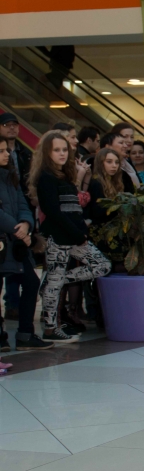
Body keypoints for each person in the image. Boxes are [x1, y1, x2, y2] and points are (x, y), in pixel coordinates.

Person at [29, 130, 111, 344]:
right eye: (56, 150)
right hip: (58, 237)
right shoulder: (46, 177)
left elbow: (74, 209)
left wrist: (81, 232)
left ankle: (55, 281)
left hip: (73, 236)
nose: (62, 153)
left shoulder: (64, 175)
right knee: (56, 284)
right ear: (47, 153)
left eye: (64, 149)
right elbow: (53, 212)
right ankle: (50, 328)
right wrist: (77, 234)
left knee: (102, 265)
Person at [0, 137, 52, 351]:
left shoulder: (9, 176)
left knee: (31, 282)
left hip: (17, 243)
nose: (7, 154)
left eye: (6, 150)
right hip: (5, 242)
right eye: (1, 151)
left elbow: (22, 203)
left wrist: (26, 224)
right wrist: (18, 230)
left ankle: (25, 334)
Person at [0, 113, 31, 198]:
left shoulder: (26, 152)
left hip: (23, 197)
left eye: (14, 124)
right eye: (6, 125)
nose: (12, 127)